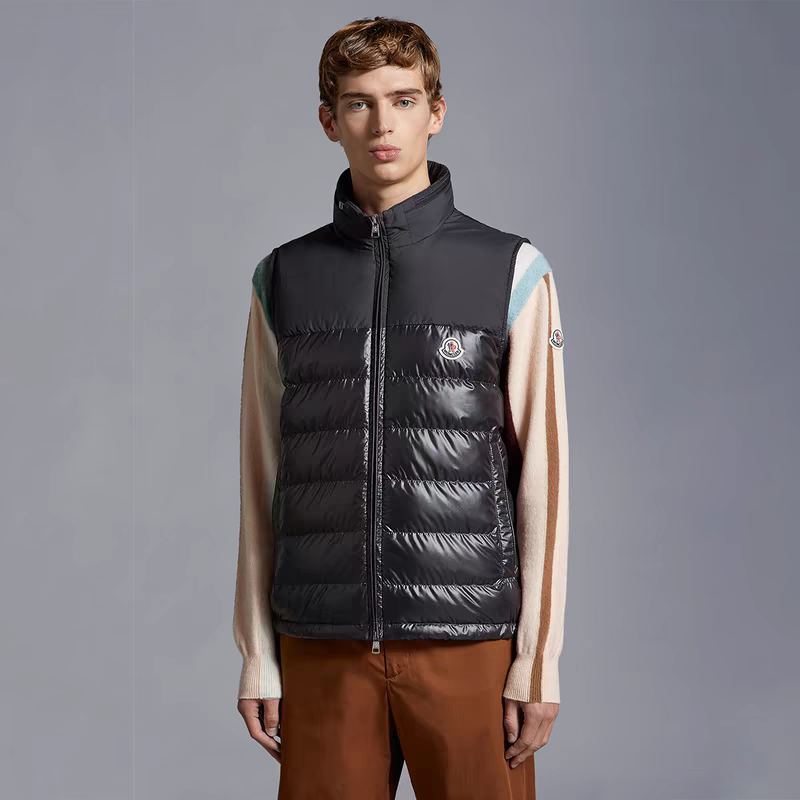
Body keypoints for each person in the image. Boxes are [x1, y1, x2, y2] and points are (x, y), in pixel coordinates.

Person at [233, 15, 569, 800]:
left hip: (470, 644)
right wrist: (258, 653)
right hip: (323, 645)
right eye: (358, 103)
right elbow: (261, 478)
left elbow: (544, 482)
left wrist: (537, 660)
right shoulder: (282, 279)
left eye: (403, 100)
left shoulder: (510, 270)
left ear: (435, 112)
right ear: (329, 121)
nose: (382, 124)